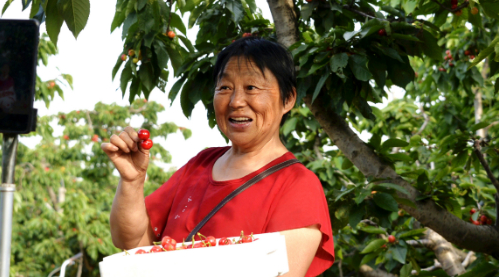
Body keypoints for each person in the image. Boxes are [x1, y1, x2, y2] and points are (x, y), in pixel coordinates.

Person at [101, 38, 334, 277]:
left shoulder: (298, 185)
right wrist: (132, 181)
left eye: (251, 87)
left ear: (288, 99)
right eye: (225, 88)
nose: (236, 102)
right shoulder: (200, 164)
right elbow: (133, 242)